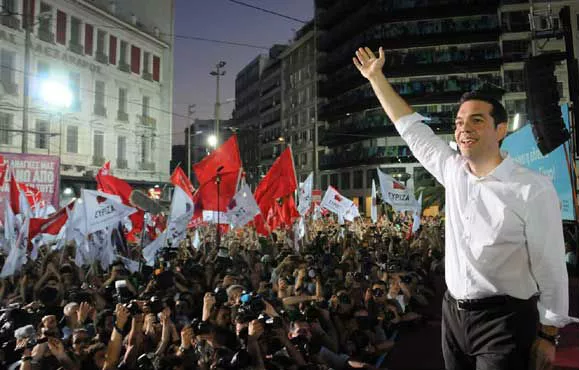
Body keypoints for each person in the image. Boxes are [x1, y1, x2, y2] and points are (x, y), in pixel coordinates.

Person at [353, 45, 576, 370]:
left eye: (476, 120)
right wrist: (376, 78)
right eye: (459, 122)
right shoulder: (452, 170)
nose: (463, 128)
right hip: (453, 316)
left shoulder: (532, 188)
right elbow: (412, 129)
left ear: (501, 130)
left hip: (506, 321)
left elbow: (551, 267)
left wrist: (548, 334)